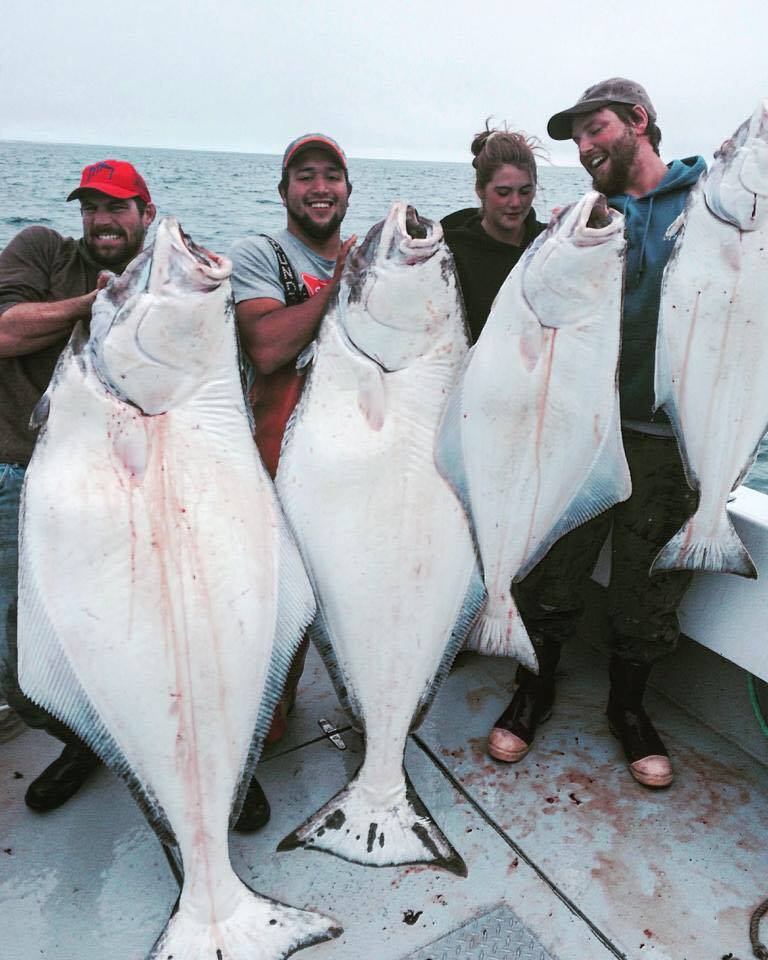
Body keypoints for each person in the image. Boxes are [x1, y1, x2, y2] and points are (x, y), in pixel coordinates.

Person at [487, 79, 707, 789]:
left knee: (649, 588)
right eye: (577, 137)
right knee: (555, 565)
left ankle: (629, 709)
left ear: (640, 122)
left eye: (597, 129)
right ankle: (535, 689)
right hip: (581, 427)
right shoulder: (589, 218)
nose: (584, 148)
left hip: (669, 439)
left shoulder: (708, 206)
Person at [0, 159, 156, 810]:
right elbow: (5, 332)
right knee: (18, 660)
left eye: (117, 206)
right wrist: (94, 305)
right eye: (90, 206)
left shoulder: (164, 280)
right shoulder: (41, 250)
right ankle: (86, 742)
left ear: (146, 214)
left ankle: (174, 749)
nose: (101, 219)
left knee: (150, 633)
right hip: (21, 479)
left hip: (126, 487)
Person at [229, 133, 355, 829]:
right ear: (284, 192)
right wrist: (344, 287)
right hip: (273, 478)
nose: (319, 187)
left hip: (351, 479)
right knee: (262, 623)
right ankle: (247, 739)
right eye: (304, 177)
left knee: (353, 613)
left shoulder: (375, 261)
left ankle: (367, 707)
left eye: (331, 176)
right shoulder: (260, 256)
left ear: (346, 189)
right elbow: (268, 347)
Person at [442, 123, 547, 342]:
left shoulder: (548, 245)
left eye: (525, 191)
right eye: (503, 192)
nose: (516, 203)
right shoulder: (451, 253)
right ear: (480, 189)